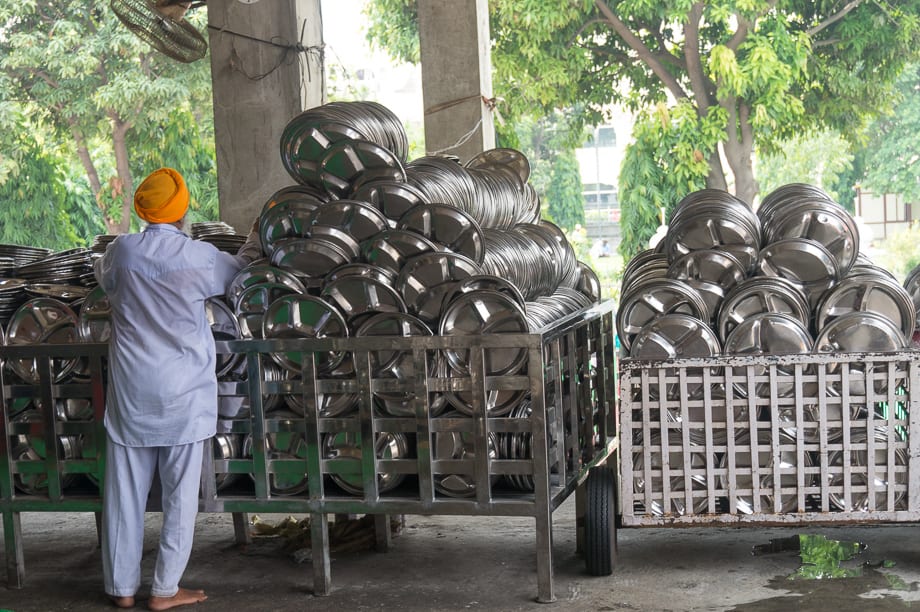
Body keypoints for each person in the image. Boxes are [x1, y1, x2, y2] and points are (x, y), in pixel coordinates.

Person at [95, 168, 261, 610]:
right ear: (183, 210)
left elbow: (102, 276)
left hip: (133, 393)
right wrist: (253, 241)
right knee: (179, 497)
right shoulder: (199, 257)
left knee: (123, 497)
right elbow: (239, 276)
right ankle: (165, 590)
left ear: (142, 210)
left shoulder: (122, 252)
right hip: (183, 394)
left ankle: (122, 590)